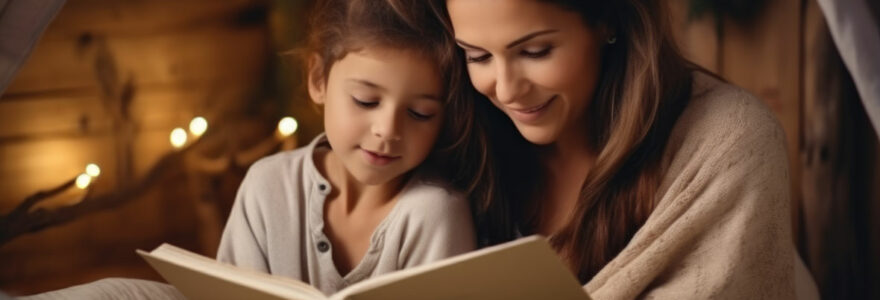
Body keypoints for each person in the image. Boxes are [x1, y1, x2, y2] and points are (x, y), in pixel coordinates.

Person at [20, 0, 478, 298]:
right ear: (318, 79)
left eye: (420, 113)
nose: (387, 130)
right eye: (366, 100)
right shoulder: (268, 183)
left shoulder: (435, 214)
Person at [430, 0, 816, 298]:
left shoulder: (726, 139)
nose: (506, 89)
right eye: (477, 56)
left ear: (606, 21)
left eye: (535, 52)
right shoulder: (454, 132)